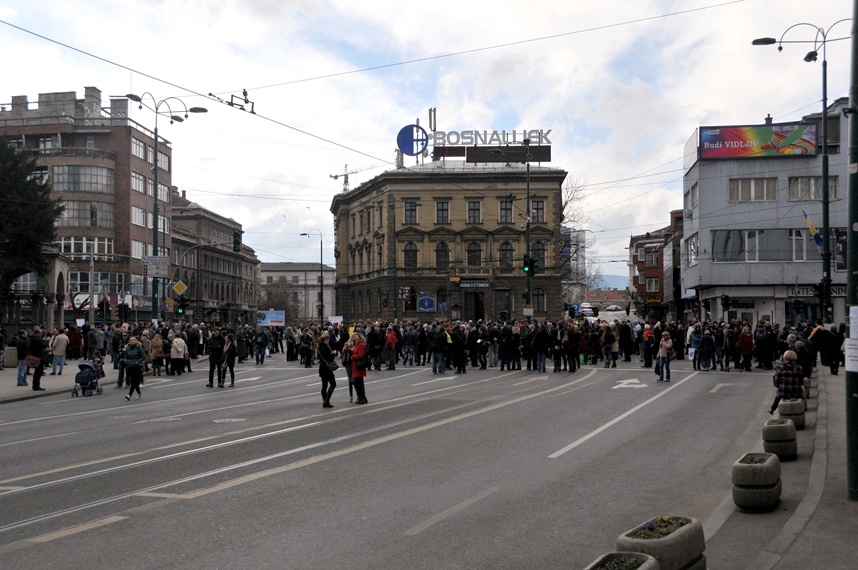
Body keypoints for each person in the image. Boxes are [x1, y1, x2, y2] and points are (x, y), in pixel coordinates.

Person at [122, 336, 146, 400]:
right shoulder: (128, 348)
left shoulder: (138, 347)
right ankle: (139, 394)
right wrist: (126, 361)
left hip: (136, 366)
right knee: (134, 381)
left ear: (136, 341)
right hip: (129, 366)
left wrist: (138, 361)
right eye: (131, 340)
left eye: (133, 340)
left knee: (133, 381)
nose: (132, 341)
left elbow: (143, 356)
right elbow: (125, 357)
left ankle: (129, 394)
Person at [317, 332, 337, 408]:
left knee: (324, 385)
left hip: (322, 367)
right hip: (327, 368)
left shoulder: (319, 347)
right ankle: (326, 401)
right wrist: (333, 353)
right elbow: (329, 358)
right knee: (333, 384)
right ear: (326, 339)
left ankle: (325, 401)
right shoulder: (326, 347)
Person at [350, 332, 368, 404]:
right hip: (355, 365)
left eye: (357, 337)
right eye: (355, 337)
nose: (355, 338)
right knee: (358, 383)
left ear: (360, 338)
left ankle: (362, 398)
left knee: (358, 383)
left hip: (359, 366)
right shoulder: (357, 345)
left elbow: (361, 355)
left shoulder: (361, 345)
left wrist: (353, 357)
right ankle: (361, 398)